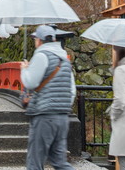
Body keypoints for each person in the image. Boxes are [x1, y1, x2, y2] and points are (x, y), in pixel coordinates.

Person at [20, 25, 76, 170]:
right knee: (59, 162)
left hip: (45, 115)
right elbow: (72, 91)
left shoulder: (42, 55)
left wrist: (24, 70)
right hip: (63, 116)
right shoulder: (64, 60)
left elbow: (30, 82)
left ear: (39, 40)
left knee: (35, 162)